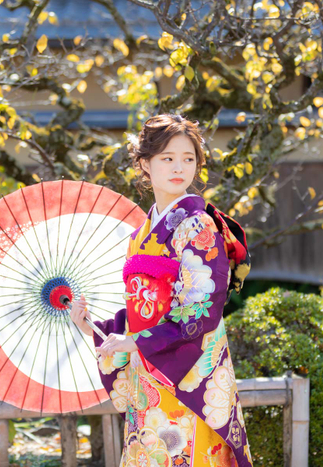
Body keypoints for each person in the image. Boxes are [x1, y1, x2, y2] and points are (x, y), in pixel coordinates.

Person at [70, 114, 253, 466]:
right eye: (167, 158)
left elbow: (201, 307)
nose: (179, 168)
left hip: (189, 375)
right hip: (147, 376)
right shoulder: (140, 235)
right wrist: (96, 328)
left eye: (188, 158)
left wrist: (137, 342)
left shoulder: (198, 226)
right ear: (145, 163)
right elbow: (141, 309)